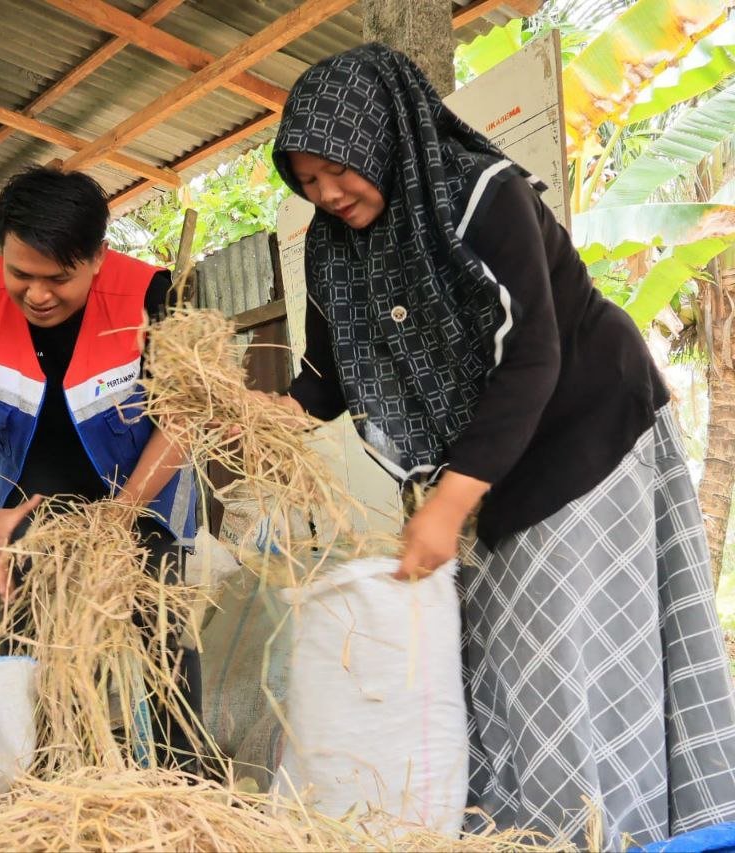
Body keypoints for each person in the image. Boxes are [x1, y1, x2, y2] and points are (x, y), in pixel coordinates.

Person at [270, 43, 735, 846]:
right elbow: (325, 381)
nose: (328, 193)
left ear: (380, 135)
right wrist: (246, 420)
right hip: (486, 463)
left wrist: (448, 504)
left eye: (337, 169)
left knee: (564, 663)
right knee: (496, 674)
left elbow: (534, 356)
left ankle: (608, 830)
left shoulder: (485, 194)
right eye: (307, 180)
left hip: (584, 431)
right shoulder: (333, 248)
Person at [0, 166, 202, 767]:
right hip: (33, 512)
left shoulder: (152, 296)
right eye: (21, 274)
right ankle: (46, 791)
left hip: (142, 501)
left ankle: (188, 792)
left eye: (59, 279)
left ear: (98, 258)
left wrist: (120, 517)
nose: (38, 294)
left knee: (163, 657)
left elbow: (182, 419)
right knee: (30, 662)